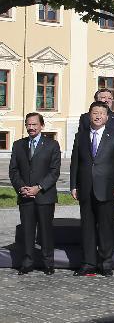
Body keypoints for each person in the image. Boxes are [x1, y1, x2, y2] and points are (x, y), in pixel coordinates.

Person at [70, 101, 114, 277]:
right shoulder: (80, 136)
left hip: (107, 188)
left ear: (107, 117)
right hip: (85, 187)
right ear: (89, 115)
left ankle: (106, 263)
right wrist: (73, 185)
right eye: (95, 113)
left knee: (106, 227)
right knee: (87, 227)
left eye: (101, 113)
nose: (98, 116)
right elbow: (75, 163)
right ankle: (88, 263)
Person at [9, 113, 61, 275]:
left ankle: (48, 263)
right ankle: (27, 262)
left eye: (34, 125)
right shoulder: (18, 145)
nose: (31, 128)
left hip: (45, 196)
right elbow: (13, 170)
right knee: (27, 231)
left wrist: (39, 187)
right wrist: (21, 187)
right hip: (25, 195)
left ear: (42, 126)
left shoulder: (52, 145)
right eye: (28, 125)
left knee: (46, 231)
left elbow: (54, 171)